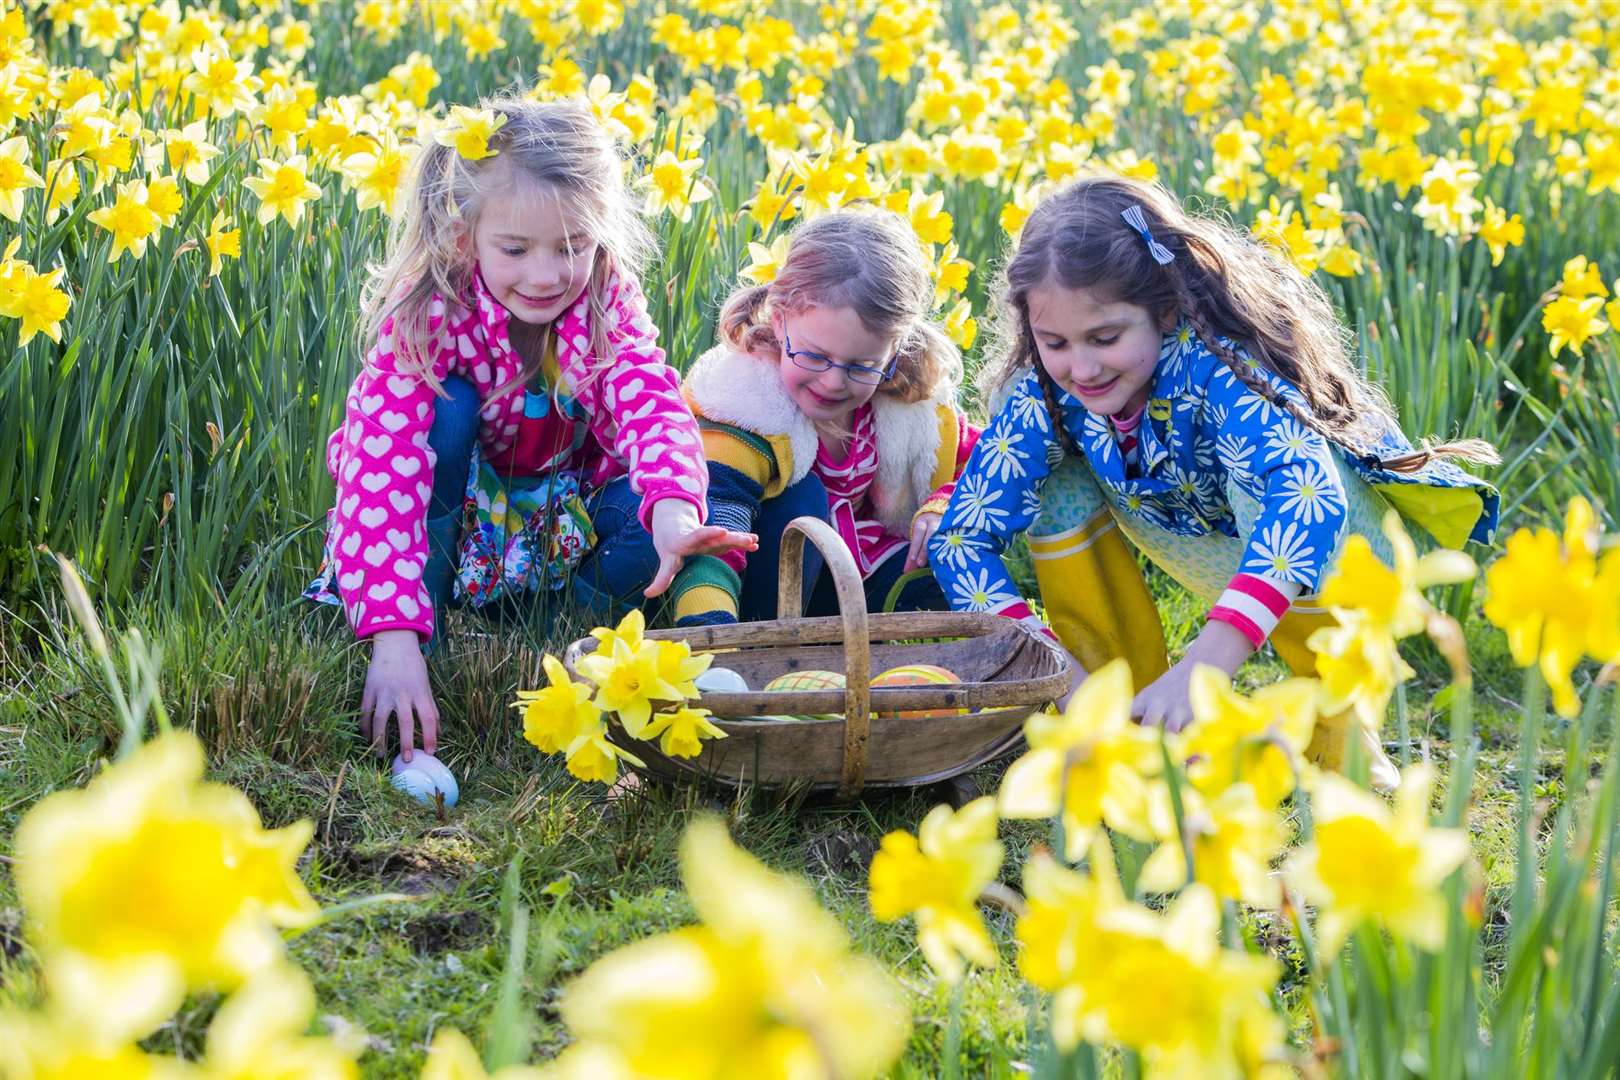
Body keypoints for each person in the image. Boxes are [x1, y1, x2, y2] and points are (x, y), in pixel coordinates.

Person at [929, 175, 1499, 784]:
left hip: (1350, 550)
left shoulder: (1221, 366)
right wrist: (1058, 676)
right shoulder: (1045, 392)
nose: (1082, 367)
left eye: (1106, 337)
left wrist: (1207, 663)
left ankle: (1340, 737)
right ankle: (1128, 719)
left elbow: (1308, 503)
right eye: (1055, 342)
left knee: (1292, 484)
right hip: (1217, 549)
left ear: (1165, 309)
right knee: (1055, 483)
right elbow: (959, 542)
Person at [306, 94, 754, 761]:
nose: (546, 276)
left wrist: (671, 509)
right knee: (443, 408)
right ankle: (418, 631)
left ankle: (554, 637)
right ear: (465, 235)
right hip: (457, 517)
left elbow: (649, 399)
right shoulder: (429, 310)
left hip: (557, 519)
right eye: (515, 249)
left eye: (572, 246)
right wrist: (391, 641)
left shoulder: (603, 294)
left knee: (653, 509)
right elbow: (381, 472)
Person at [668, 208, 980, 626]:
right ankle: (771, 637)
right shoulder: (746, 403)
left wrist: (942, 507)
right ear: (778, 320)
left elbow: (986, 462)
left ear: (894, 350)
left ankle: (856, 634)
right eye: (814, 356)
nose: (834, 382)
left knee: (949, 567)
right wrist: (710, 631)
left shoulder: (907, 406)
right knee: (804, 499)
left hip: (855, 575)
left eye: (862, 365)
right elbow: (719, 522)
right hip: (761, 584)